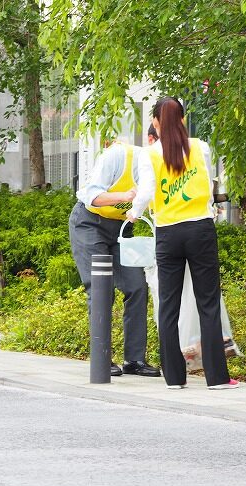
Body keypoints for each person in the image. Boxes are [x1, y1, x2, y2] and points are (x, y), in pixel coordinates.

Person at [128, 96, 237, 390]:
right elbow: (210, 182)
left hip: (168, 233)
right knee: (208, 302)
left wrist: (134, 213)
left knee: (168, 305)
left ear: (155, 122)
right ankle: (217, 378)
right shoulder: (200, 148)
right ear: (183, 119)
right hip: (200, 229)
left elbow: (147, 191)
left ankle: (174, 378)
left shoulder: (149, 154)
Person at [69, 142, 160, 378]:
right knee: (101, 288)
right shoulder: (118, 156)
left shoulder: (161, 169)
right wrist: (127, 196)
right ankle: (101, 357)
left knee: (137, 287)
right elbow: (91, 196)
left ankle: (134, 359)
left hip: (121, 230)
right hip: (90, 224)